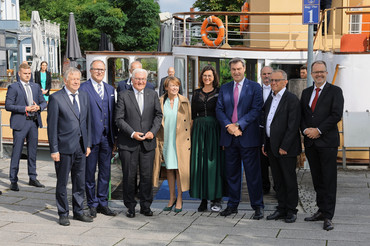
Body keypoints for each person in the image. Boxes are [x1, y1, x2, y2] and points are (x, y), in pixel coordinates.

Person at [216, 57, 264, 219]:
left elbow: (256, 109)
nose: (236, 72)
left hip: (248, 136)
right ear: (230, 71)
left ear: (244, 69)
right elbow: (219, 110)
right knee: (232, 174)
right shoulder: (225, 88)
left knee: (253, 174)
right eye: (233, 69)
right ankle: (232, 205)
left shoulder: (255, 87)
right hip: (230, 137)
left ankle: (258, 206)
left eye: (238, 69)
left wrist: (239, 125)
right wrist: (229, 126)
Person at [300, 60, 344, 231]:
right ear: (311, 74)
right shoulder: (306, 93)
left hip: (327, 142)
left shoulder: (335, 91)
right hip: (311, 143)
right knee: (317, 179)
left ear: (326, 73)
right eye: (315, 72)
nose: (319, 74)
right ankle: (320, 210)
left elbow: (336, 115)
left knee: (328, 180)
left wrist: (318, 130)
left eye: (321, 72)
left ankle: (328, 216)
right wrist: (305, 130)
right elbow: (302, 115)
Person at [47, 67, 93, 226]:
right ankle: (63, 213)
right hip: (63, 148)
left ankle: (79, 211)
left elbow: (87, 122)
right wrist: (54, 149)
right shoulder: (56, 98)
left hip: (81, 147)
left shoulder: (85, 96)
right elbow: (51, 126)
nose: (76, 82)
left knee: (80, 182)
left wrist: (87, 144)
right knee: (62, 182)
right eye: (73, 79)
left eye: (78, 79)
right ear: (65, 80)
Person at [115, 68, 162, 218]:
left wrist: (152, 132)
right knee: (129, 176)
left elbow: (158, 115)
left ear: (146, 80)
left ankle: (146, 206)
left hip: (148, 142)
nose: (140, 81)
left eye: (143, 79)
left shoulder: (152, 94)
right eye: (138, 79)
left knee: (147, 176)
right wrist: (132, 133)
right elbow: (119, 119)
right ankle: (130, 206)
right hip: (128, 142)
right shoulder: (123, 95)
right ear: (132, 79)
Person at [262, 69, 301, 223]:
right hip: (271, 146)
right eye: (271, 80)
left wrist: (284, 146)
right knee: (278, 180)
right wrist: (265, 143)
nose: (273, 83)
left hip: (286, 148)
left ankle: (291, 210)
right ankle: (281, 208)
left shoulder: (291, 99)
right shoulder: (270, 98)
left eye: (276, 80)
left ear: (285, 82)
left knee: (289, 179)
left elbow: (293, 125)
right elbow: (266, 121)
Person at [79, 60, 117, 217]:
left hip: (107, 138)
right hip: (91, 138)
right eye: (96, 69)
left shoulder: (110, 89)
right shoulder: (83, 88)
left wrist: (115, 138)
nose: (100, 72)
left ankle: (103, 202)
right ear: (90, 70)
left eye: (102, 69)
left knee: (105, 172)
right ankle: (92, 203)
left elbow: (113, 114)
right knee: (89, 173)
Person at [5, 62, 47, 192]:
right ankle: (13, 180)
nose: (28, 75)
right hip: (20, 123)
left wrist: (38, 107)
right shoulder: (14, 87)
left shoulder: (36, 86)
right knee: (16, 152)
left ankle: (32, 177)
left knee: (33, 151)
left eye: (29, 73)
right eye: (25, 73)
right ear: (19, 74)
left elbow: (44, 102)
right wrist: (25, 108)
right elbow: (8, 105)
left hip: (33, 122)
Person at [153, 76, 191, 213]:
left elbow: (189, 123)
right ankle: (171, 197)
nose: (174, 88)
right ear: (166, 87)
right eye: (172, 85)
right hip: (165, 139)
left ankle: (180, 198)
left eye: (177, 85)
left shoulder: (185, 102)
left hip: (180, 141)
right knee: (169, 168)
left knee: (179, 169)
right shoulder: (160, 101)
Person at [189, 66, 224, 212]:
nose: (207, 78)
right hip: (198, 130)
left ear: (214, 77)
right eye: (204, 75)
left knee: (214, 164)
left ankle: (216, 198)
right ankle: (203, 199)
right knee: (200, 164)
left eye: (209, 75)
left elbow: (223, 112)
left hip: (214, 130)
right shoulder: (196, 93)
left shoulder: (219, 91)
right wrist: (190, 137)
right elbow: (192, 116)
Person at [260, 66, 273, 194]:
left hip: (274, 131)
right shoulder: (256, 90)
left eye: (269, 73)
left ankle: (277, 188)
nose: (267, 76)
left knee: (274, 162)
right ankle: (265, 186)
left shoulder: (277, 91)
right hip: (260, 131)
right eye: (264, 74)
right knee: (261, 162)